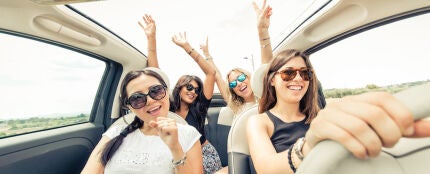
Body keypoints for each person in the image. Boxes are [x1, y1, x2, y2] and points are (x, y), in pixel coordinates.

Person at [247, 49, 430, 174]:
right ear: (271, 80)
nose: (298, 79)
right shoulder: (258, 121)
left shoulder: (321, 115)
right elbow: (266, 168)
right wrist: (309, 147)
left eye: (305, 74)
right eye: (288, 73)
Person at [81, 68, 203, 174]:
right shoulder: (114, 134)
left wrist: (175, 148)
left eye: (156, 91)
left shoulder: (188, 133)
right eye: (137, 99)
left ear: (166, 92)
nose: (150, 100)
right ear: (130, 107)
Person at [169, 31, 223, 174]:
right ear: (179, 88)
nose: (193, 91)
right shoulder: (167, 108)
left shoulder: (199, 107)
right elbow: (154, 73)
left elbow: (211, 73)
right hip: (177, 155)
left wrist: (188, 48)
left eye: (197, 90)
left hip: (204, 154)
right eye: (189, 87)